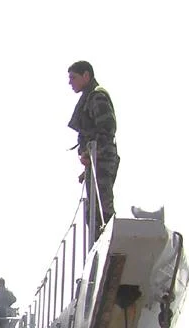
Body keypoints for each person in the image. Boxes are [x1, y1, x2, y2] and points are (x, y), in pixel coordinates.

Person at [67, 60, 119, 240]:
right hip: (96, 162)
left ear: (86, 75)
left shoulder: (97, 97)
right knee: (93, 212)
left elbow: (107, 129)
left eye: (73, 77)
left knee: (102, 211)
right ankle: (101, 244)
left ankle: (109, 245)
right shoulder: (89, 99)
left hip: (102, 161)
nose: (70, 83)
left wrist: (93, 156)